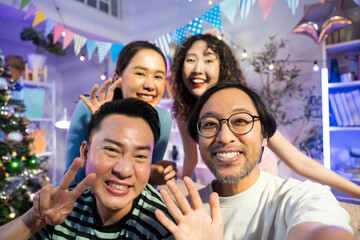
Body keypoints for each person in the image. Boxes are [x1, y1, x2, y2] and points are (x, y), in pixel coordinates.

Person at [156, 82, 355, 240]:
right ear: (198, 141)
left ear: (265, 135)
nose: (225, 137)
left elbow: (319, 231)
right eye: (209, 124)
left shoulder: (299, 197)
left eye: (241, 121)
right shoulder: (185, 214)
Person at [171, 33, 360, 198]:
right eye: (190, 60)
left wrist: (356, 191)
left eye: (208, 60)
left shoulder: (246, 105)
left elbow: (298, 161)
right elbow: (190, 159)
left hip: (261, 192)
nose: (197, 68)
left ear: (223, 67)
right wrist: (178, 184)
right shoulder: (184, 112)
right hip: (229, 190)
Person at [0, 98, 174, 239]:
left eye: (140, 156)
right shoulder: (63, 207)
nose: (124, 170)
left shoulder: (162, 225)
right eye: (112, 150)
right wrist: (35, 219)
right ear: (85, 152)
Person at [65, 41, 176, 186]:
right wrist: (102, 121)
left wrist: (157, 173)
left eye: (158, 76)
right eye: (140, 73)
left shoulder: (162, 119)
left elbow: (146, 185)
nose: (150, 86)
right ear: (118, 78)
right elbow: (72, 180)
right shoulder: (89, 108)